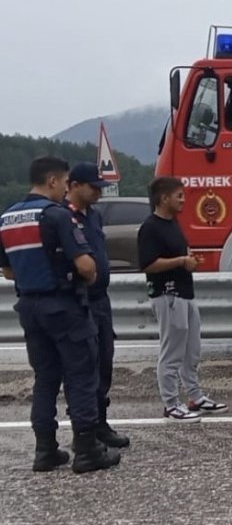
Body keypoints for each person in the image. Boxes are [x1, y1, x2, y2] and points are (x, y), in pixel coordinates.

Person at [0, 156, 120, 473]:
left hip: (29, 306)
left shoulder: (8, 218)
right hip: (64, 306)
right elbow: (86, 265)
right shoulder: (55, 216)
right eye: (65, 182)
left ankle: (45, 450)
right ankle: (86, 449)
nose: (66, 188)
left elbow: (8, 271)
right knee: (81, 376)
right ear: (53, 181)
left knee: (45, 379)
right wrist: (87, 275)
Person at [140, 176, 227, 422]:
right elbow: (148, 264)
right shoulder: (151, 227)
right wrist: (180, 262)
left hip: (186, 292)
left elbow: (178, 254)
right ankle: (170, 403)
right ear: (164, 198)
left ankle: (195, 396)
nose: (183, 200)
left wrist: (188, 260)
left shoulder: (173, 223)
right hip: (168, 294)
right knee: (172, 351)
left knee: (192, 350)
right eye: (179, 196)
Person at [65, 162, 130, 449]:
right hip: (80, 301)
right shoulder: (62, 218)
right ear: (74, 185)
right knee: (83, 368)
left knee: (104, 361)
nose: (99, 194)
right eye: (94, 188)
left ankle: (100, 422)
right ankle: (85, 430)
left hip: (101, 300)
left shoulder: (94, 217)